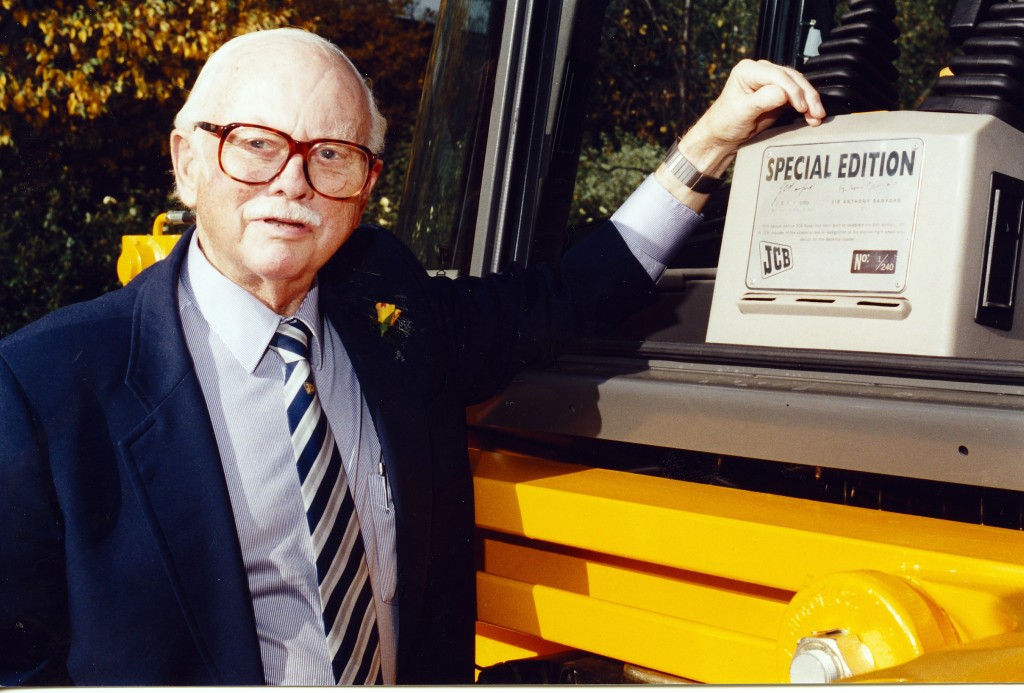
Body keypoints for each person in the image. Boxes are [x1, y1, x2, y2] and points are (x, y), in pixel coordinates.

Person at [0, 28, 825, 686]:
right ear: (186, 159)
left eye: (331, 154)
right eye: (255, 143)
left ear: (365, 186)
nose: (293, 180)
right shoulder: (47, 388)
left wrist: (711, 144)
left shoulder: (386, 303)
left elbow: (565, 295)